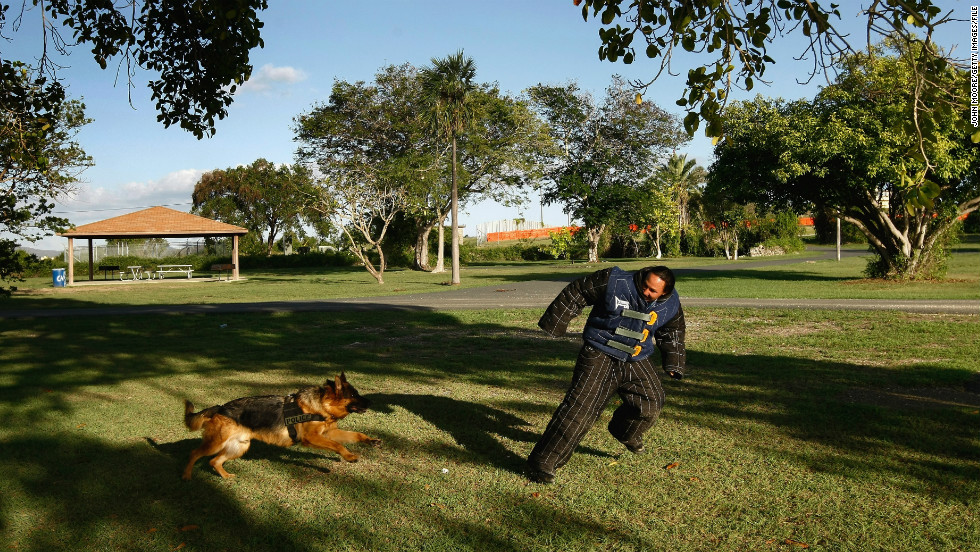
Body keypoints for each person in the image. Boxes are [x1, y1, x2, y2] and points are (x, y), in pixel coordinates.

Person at [526, 265, 687, 484]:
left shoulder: (671, 303)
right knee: (580, 409)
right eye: (645, 285)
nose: (646, 291)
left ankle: (625, 431)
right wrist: (556, 322)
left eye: (652, 291)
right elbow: (579, 290)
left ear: (664, 293)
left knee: (652, 402)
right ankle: (542, 464)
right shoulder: (614, 280)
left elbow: (673, 330)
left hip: (636, 358)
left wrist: (674, 362)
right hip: (599, 352)